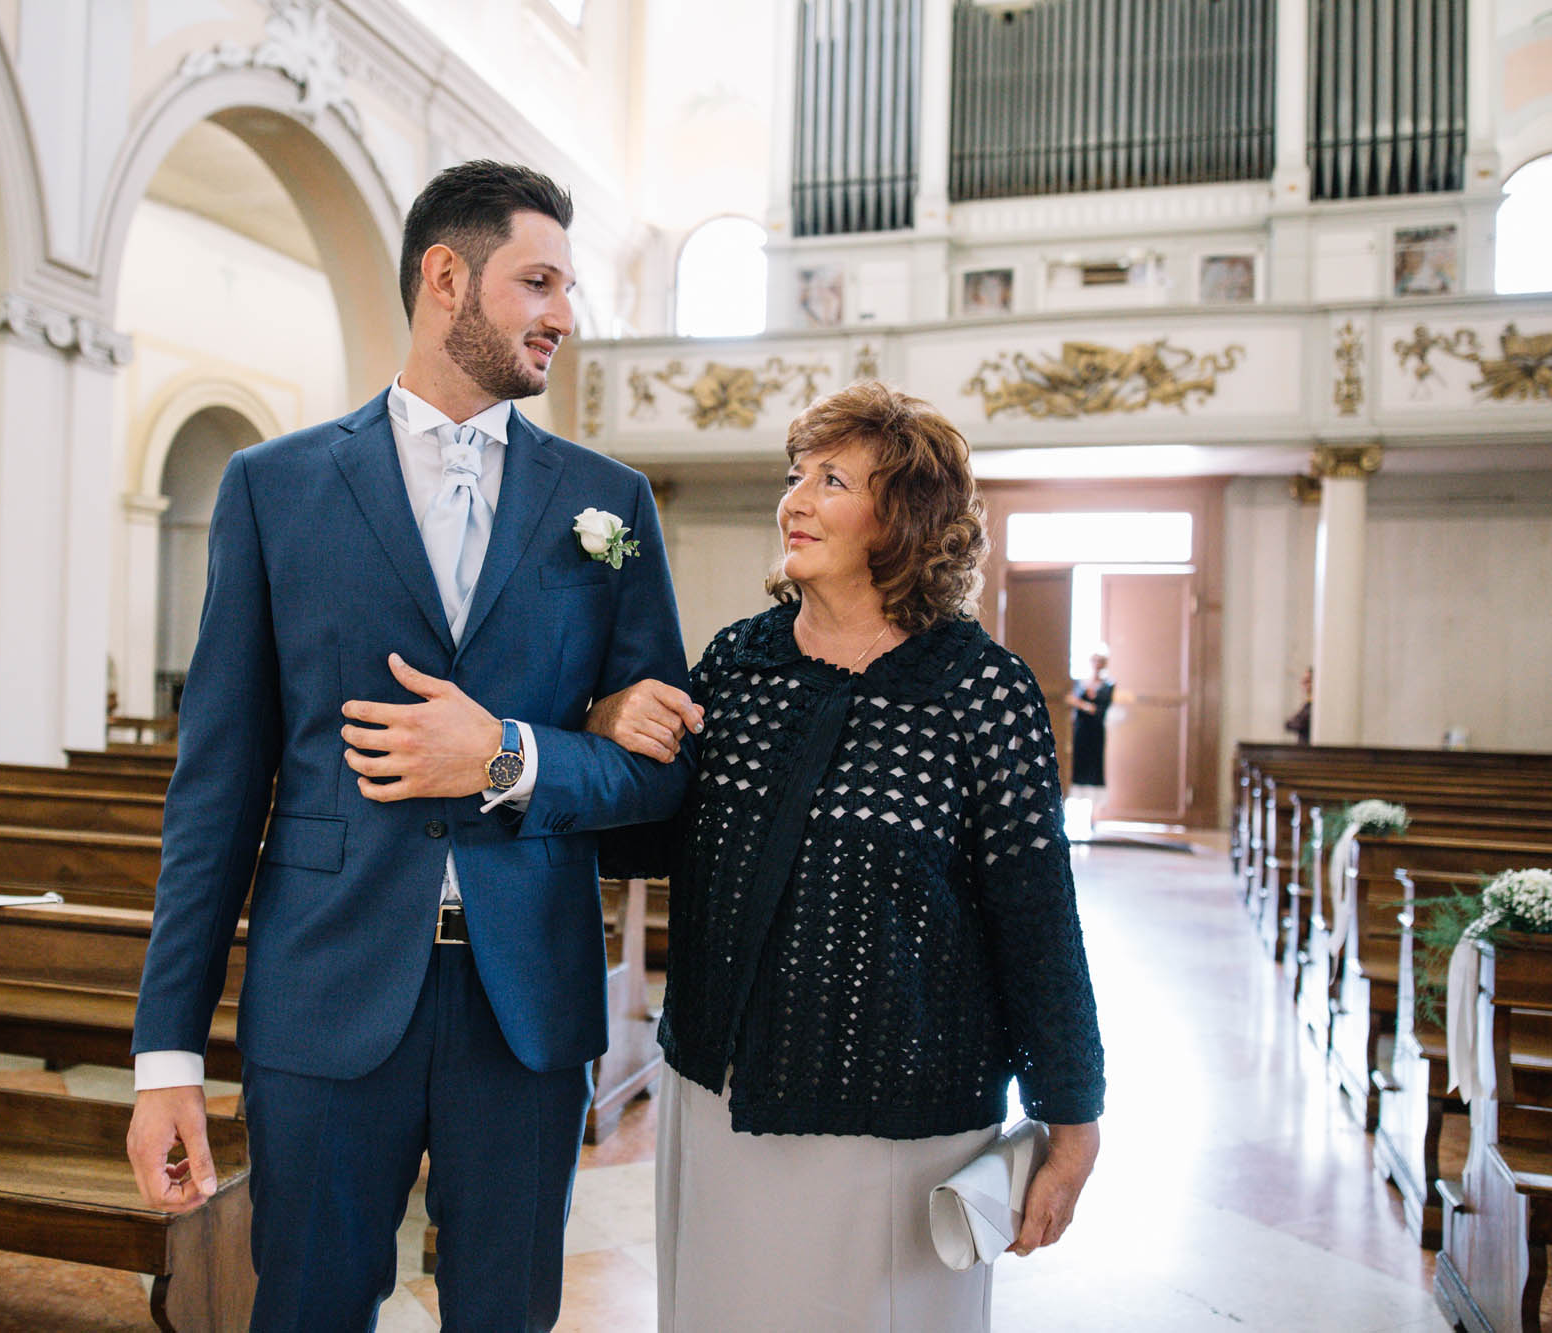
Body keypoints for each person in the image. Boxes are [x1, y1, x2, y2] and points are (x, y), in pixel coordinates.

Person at [127, 160, 693, 1330]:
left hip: (524, 1004)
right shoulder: (271, 488)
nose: (564, 316)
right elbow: (216, 795)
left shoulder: (608, 503)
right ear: (447, 277)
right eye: (537, 282)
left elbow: (660, 779)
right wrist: (165, 1057)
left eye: (567, 286)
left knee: (503, 1315)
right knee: (307, 1310)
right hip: (325, 988)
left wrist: (510, 756)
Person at [589, 381, 1105, 1331]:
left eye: (832, 479)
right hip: (722, 1099)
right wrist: (601, 727)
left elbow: (1038, 918)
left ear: (905, 517)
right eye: (796, 476)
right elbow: (652, 839)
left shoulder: (981, 692)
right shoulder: (738, 663)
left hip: (902, 1120)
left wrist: (1073, 1119)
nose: (795, 499)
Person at [1065, 647, 1117, 833]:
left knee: (1095, 769)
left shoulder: (1108, 685)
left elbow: (1100, 710)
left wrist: (1081, 704)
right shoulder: (1079, 682)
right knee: (1076, 767)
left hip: (1096, 733)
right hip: (1080, 732)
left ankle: (1093, 817)